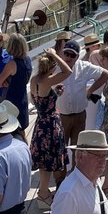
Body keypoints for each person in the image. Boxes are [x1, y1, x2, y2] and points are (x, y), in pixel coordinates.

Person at [29, 48, 72, 204]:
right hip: (51, 125)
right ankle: (43, 194)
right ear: (52, 67)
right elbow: (68, 71)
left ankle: (43, 191)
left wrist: (54, 93)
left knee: (43, 160)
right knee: (49, 161)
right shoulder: (48, 80)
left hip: (40, 124)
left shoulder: (35, 80)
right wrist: (55, 54)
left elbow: (37, 101)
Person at [56, 40, 108, 149]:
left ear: (77, 57)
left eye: (72, 55)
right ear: (62, 54)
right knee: (60, 150)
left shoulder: (84, 67)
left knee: (79, 149)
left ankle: (75, 166)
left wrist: (90, 90)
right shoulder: (55, 68)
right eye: (66, 54)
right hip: (62, 117)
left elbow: (106, 74)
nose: (68, 57)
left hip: (79, 116)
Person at [0, 33, 32, 131]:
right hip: (22, 100)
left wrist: (4, 82)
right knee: (21, 131)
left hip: (11, 103)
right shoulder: (28, 60)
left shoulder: (11, 64)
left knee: (10, 131)